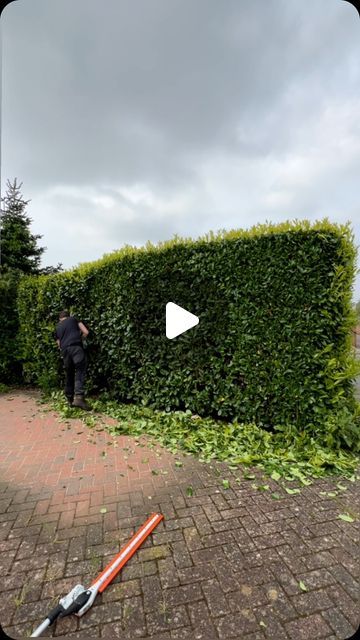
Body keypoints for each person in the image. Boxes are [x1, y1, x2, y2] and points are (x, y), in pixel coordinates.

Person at [55, 310, 90, 410]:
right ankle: (79, 398)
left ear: (60, 319)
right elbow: (86, 332)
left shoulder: (58, 327)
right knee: (80, 370)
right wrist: (81, 339)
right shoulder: (73, 319)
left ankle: (69, 399)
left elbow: (59, 345)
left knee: (69, 373)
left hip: (65, 351)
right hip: (76, 347)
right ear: (68, 316)